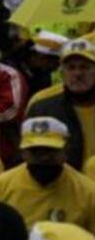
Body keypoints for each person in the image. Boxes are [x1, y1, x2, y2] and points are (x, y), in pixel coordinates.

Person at [0, 117, 95, 234]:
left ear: (66, 150)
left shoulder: (88, 192)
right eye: (36, 151)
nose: (44, 158)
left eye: (50, 151)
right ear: (23, 152)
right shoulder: (0, 187)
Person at [25, 37, 95, 168]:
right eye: (71, 67)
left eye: (85, 67)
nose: (78, 73)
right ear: (61, 72)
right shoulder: (42, 106)